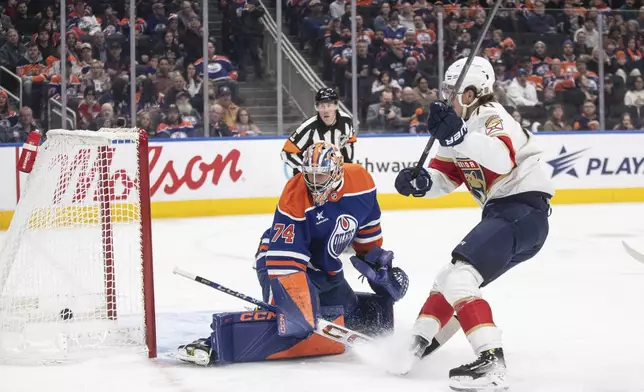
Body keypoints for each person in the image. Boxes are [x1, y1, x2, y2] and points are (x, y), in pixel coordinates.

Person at [394, 56, 555, 392]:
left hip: (522, 210)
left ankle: (491, 361)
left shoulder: (491, 115)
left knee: (461, 276)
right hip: (508, 215)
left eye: (453, 90)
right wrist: (422, 183)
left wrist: (458, 135)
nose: (448, 96)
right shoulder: (462, 127)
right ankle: (418, 344)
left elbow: (500, 157)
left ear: (472, 91)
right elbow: (444, 177)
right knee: (449, 276)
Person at [176, 142, 408, 366]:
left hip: (324, 266)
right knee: (288, 323)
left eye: (321, 175)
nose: (314, 182)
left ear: (337, 171)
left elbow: (367, 231)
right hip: (278, 259)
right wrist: (296, 305)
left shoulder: (361, 181)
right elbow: (284, 259)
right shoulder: (294, 194)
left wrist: (380, 269)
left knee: (349, 313)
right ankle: (211, 344)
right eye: (310, 174)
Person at [281, 88, 356, 175]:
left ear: (336, 106)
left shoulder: (346, 121)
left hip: (336, 176)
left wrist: (347, 168)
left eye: (329, 105)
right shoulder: (308, 127)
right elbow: (286, 153)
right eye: (322, 106)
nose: (325, 110)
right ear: (317, 107)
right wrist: (306, 171)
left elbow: (349, 143)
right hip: (310, 180)